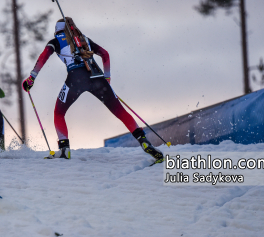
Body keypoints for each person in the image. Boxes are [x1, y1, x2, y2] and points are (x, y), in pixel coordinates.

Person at [22, 18, 164, 162]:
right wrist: (107, 79)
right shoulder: (84, 39)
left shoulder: (55, 41)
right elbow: (105, 54)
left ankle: (65, 150)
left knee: (59, 113)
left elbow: (43, 57)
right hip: (97, 77)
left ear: (57, 30)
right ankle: (144, 141)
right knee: (120, 112)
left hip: (75, 79)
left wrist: (31, 78)